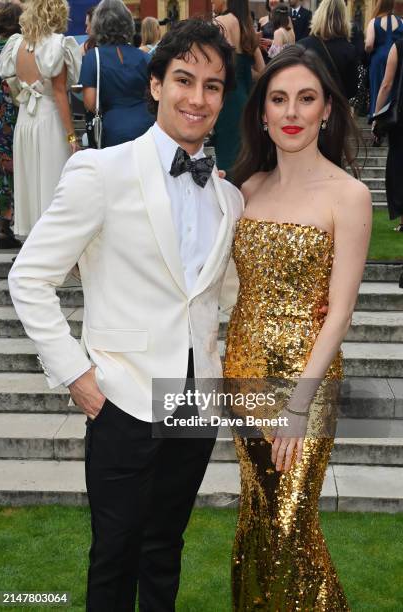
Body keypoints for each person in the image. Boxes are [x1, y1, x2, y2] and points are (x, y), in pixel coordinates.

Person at [8, 18, 243, 612]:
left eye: (212, 86)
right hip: (122, 395)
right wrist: (77, 376)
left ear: (223, 97)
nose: (198, 97)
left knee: (165, 548)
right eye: (184, 80)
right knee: (114, 554)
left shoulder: (228, 197)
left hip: (193, 397)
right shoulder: (100, 172)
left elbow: (219, 297)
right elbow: (28, 277)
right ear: (156, 85)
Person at [224, 45, 372, 609]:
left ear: (327, 110)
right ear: (262, 111)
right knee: (258, 521)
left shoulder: (349, 195)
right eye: (279, 98)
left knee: (292, 525)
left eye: (306, 99)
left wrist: (298, 404)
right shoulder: (246, 189)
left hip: (305, 382)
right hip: (241, 374)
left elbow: (340, 313)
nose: (292, 111)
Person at [0, 0, 81, 238]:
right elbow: (59, 95)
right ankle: (53, 241)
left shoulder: (17, 45)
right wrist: (72, 136)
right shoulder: (57, 45)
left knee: (29, 181)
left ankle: (33, 242)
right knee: (54, 183)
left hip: (25, 120)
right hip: (48, 120)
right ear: (57, 13)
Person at [80, 0, 154, 148]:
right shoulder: (145, 57)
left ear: (98, 25)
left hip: (113, 130)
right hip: (148, 128)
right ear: (128, 24)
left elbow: (90, 103)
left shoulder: (93, 57)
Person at [213, 0, 265, 179]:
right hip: (246, 100)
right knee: (244, 159)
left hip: (227, 103)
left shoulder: (219, 23)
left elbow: (218, 68)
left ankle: (230, 202)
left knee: (227, 161)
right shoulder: (247, 27)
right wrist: (244, 71)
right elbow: (262, 71)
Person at [0, 0, 22, 249]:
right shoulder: (16, 47)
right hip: (10, 117)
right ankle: (10, 226)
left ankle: (1, 227)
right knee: (13, 171)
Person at [299, 0, 359, 101]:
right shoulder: (349, 50)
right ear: (344, 18)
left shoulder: (302, 45)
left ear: (318, 15)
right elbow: (352, 90)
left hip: (308, 108)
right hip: (336, 110)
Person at [374, 39, 403, 230]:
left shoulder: (399, 46)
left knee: (399, 161)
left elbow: (387, 84)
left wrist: (377, 116)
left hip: (402, 115)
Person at [365, 0, 403, 117]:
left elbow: (369, 45)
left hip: (378, 60)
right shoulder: (401, 21)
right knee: (395, 86)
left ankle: (377, 116)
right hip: (397, 58)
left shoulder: (374, 22)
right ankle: (393, 114)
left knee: (378, 88)